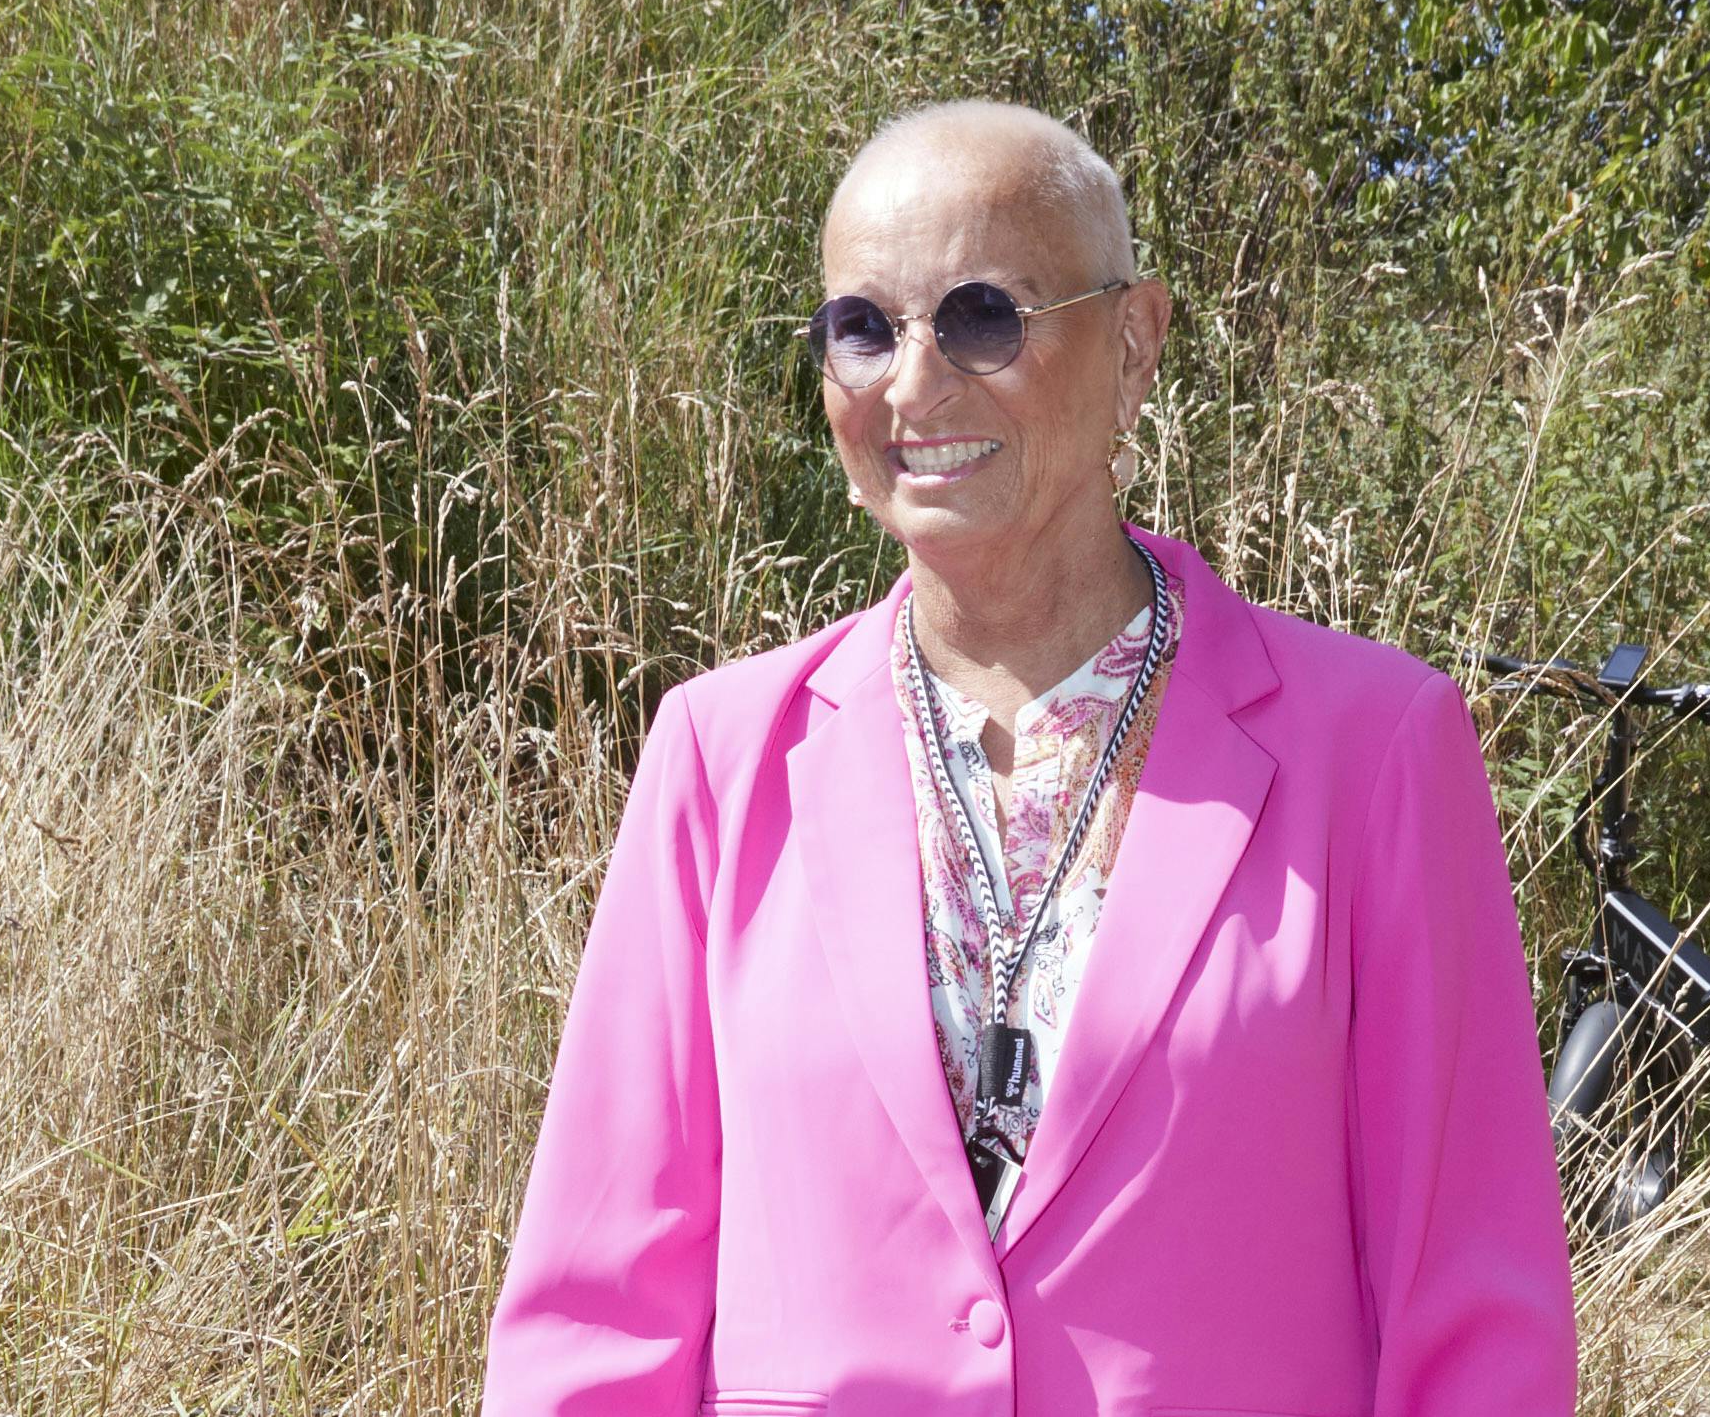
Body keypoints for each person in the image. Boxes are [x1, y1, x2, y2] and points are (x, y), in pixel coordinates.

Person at [482, 102, 1577, 1415]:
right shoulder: (721, 758)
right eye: (863, 328)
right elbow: (599, 1317)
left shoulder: (1377, 750)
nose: (913, 381)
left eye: (983, 317)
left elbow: (1474, 1318)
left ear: (1134, 340)